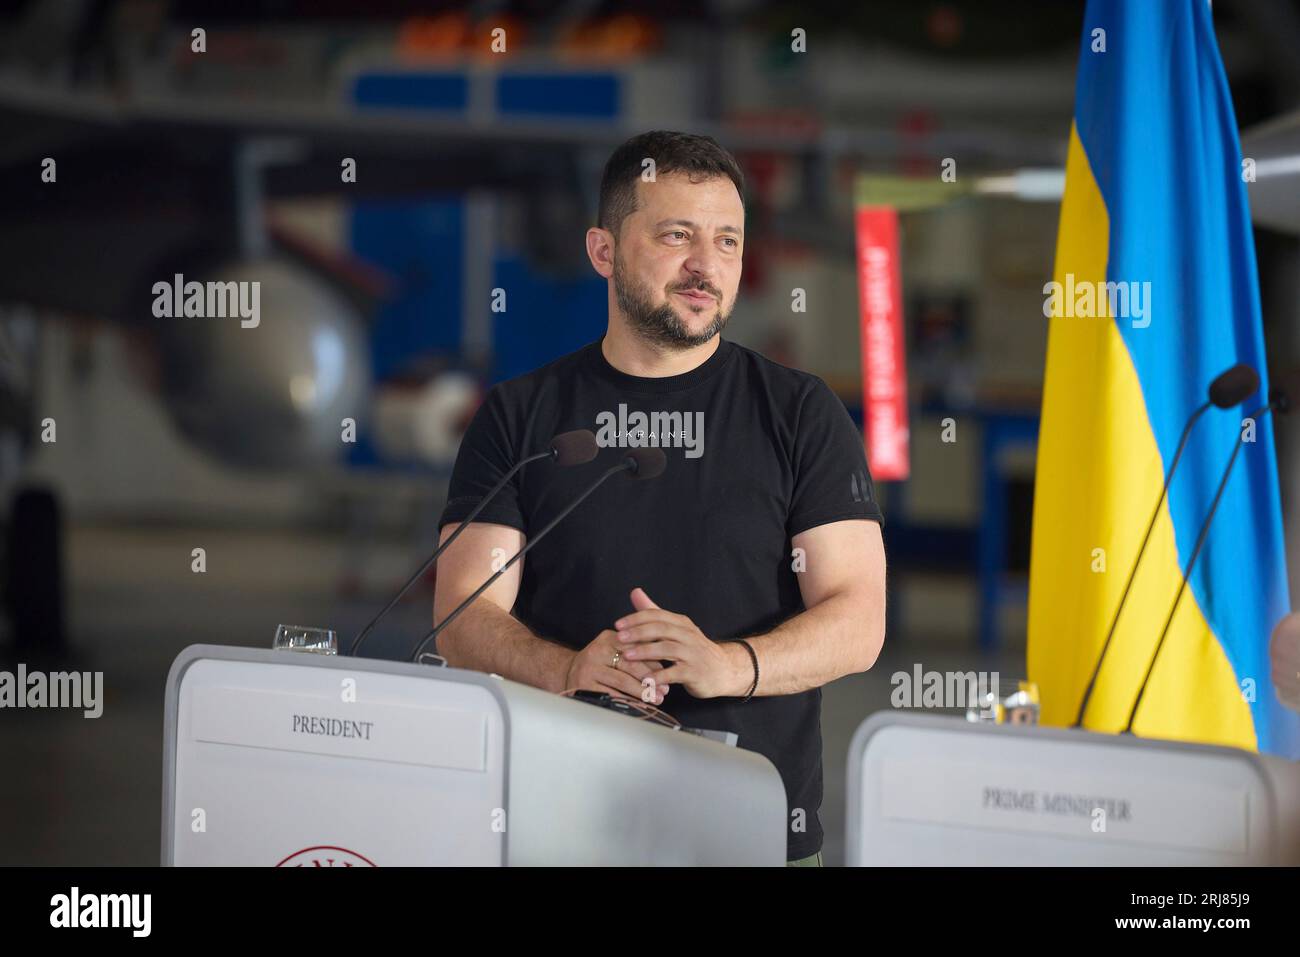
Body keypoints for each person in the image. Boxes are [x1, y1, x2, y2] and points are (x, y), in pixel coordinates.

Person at [433, 130, 887, 865]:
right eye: (676, 235)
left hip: (751, 829)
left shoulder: (801, 413)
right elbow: (461, 616)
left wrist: (728, 663)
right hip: (554, 819)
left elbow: (859, 618)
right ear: (603, 251)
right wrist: (569, 669)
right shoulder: (522, 415)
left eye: (728, 241)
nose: (706, 265)